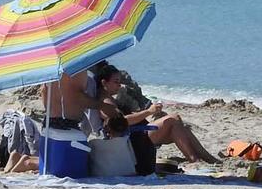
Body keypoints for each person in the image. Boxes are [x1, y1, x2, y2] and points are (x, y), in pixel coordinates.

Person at [92, 63, 220, 163]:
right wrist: (148, 111)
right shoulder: (105, 102)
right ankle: (194, 160)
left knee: (182, 129)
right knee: (173, 119)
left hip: (136, 133)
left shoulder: (108, 98)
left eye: (119, 81)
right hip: (133, 138)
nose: (119, 85)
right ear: (104, 82)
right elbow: (122, 122)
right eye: (116, 82)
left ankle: (207, 158)